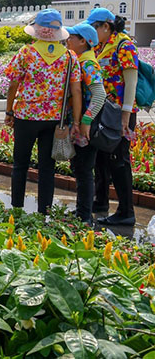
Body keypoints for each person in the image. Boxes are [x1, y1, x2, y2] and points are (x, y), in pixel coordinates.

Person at [4, 9, 81, 215]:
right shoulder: (69, 57)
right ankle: (43, 212)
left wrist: (9, 111)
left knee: (20, 164)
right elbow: (76, 90)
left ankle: (17, 209)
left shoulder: (26, 53)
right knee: (47, 168)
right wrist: (77, 120)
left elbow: (13, 84)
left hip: (26, 116)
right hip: (54, 118)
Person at [89, 8, 139, 226]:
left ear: (105, 27)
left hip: (120, 114)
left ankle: (126, 211)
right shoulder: (99, 46)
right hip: (103, 111)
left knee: (119, 162)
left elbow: (131, 81)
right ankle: (100, 201)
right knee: (100, 159)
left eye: (94, 28)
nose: (91, 32)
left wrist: (126, 115)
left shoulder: (124, 44)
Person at [65, 22, 107, 226]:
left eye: (71, 36)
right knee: (80, 167)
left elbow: (99, 94)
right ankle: (82, 211)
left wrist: (86, 121)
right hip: (83, 121)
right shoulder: (81, 60)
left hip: (87, 123)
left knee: (84, 169)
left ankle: (84, 216)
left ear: (83, 41)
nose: (67, 39)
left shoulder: (88, 64)